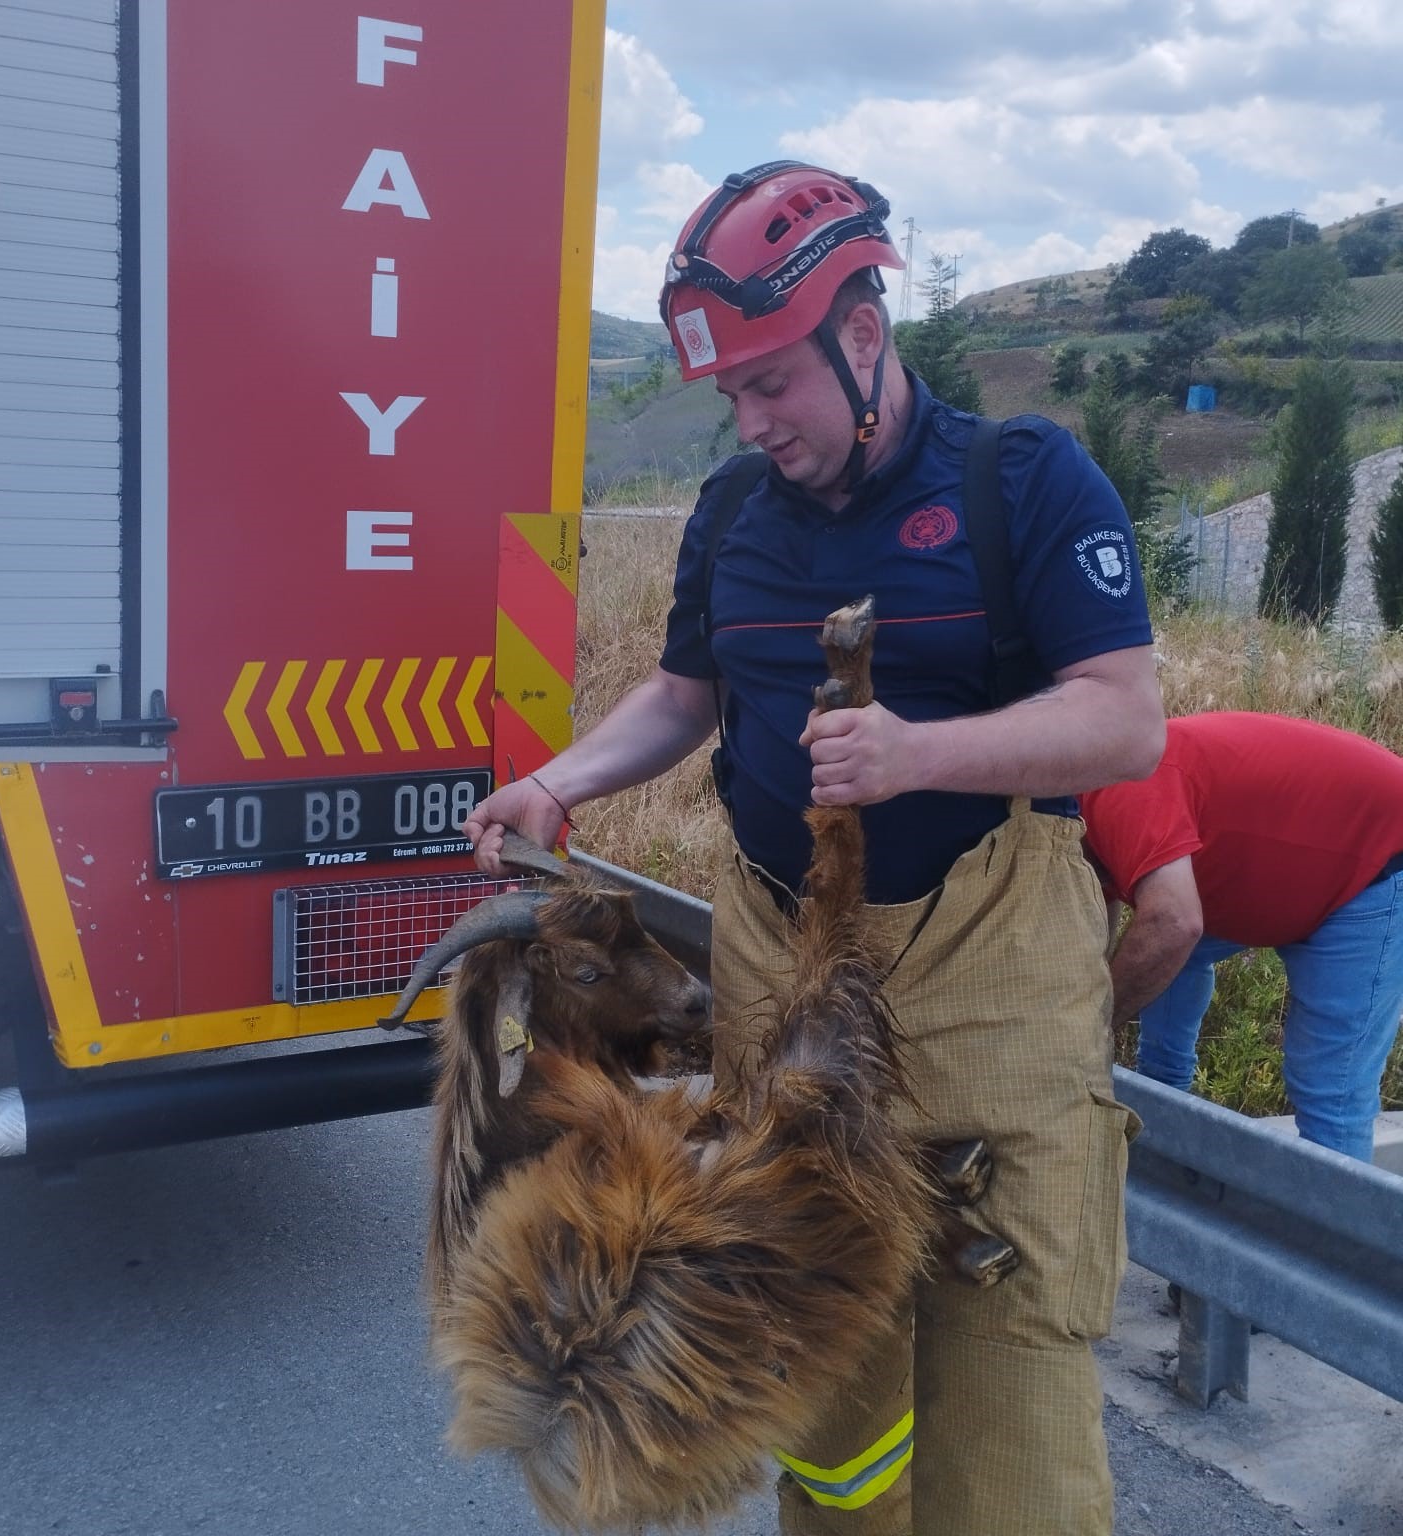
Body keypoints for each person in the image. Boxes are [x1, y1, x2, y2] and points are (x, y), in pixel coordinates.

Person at [465, 161, 1164, 1536]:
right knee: (822, 1382)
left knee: (1007, 1393)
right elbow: (686, 696)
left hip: (991, 984)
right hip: (784, 969)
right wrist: (557, 780)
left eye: (771, 382)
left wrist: (920, 756)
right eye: (731, 393)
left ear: (861, 336)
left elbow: (1125, 720)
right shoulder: (736, 515)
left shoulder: (1021, 483)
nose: (752, 419)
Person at [1080, 710, 1403, 1162]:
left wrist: (1087, 1031)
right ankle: (1159, 1118)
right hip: (1289, 855)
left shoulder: (1120, 791)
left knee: (1332, 1089)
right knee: (1163, 956)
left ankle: (1332, 1228)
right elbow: (1101, 909)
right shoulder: (1080, 806)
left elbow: (1174, 924)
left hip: (1377, 854)